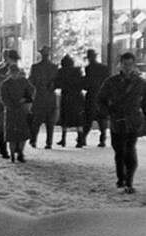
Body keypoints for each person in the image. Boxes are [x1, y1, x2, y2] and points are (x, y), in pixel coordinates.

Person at [97, 51, 146, 194]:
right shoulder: (111, 82)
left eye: (130, 65)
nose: (128, 68)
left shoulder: (141, 83)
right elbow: (100, 99)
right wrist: (107, 112)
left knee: (130, 151)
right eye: (125, 64)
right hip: (117, 121)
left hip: (132, 121)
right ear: (120, 65)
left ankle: (128, 181)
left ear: (134, 65)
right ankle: (121, 178)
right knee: (119, 151)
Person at [0, 61, 34, 162]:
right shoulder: (22, 81)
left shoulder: (5, 84)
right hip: (17, 110)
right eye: (13, 73)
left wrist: (24, 99)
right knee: (17, 134)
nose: (14, 74)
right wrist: (24, 100)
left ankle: (17, 154)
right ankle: (17, 154)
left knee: (15, 134)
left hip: (15, 110)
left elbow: (4, 98)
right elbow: (4, 98)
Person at [28, 46, 58, 149]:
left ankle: (33, 140)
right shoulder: (54, 67)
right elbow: (57, 82)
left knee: (36, 121)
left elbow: (31, 81)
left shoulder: (35, 67)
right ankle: (49, 142)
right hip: (50, 97)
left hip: (39, 96)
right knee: (50, 122)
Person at [55, 54, 85, 147]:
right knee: (78, 119)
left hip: (66, 96)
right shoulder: (77, 71)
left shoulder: (61, 71)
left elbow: (58, 83)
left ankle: (63, 139)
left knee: (65, 118)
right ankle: (80, 140)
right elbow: (82, 82)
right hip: (77, 97)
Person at [0, 48, 17, 158]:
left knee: (5, 126)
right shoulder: (2, 70)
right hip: (6, 101)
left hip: (6, 101)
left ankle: (6, 150)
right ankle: (5, 150)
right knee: (4, 126)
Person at [82, 49, 110, 147]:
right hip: (101, 95)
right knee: (101, 118)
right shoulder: (104, 68)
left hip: (92, 95)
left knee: (88, 118)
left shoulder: (88, 68)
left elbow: (86, 83)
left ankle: (83, 138)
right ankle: (102, 139)